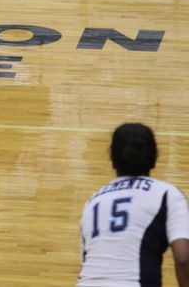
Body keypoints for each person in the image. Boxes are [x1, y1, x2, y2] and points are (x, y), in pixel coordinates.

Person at [78, 123, 189, 287]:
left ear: (112, 159)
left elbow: (88, 264)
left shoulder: (93, 201)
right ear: (154, 158)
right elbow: (183, 258)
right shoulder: (168, 194)